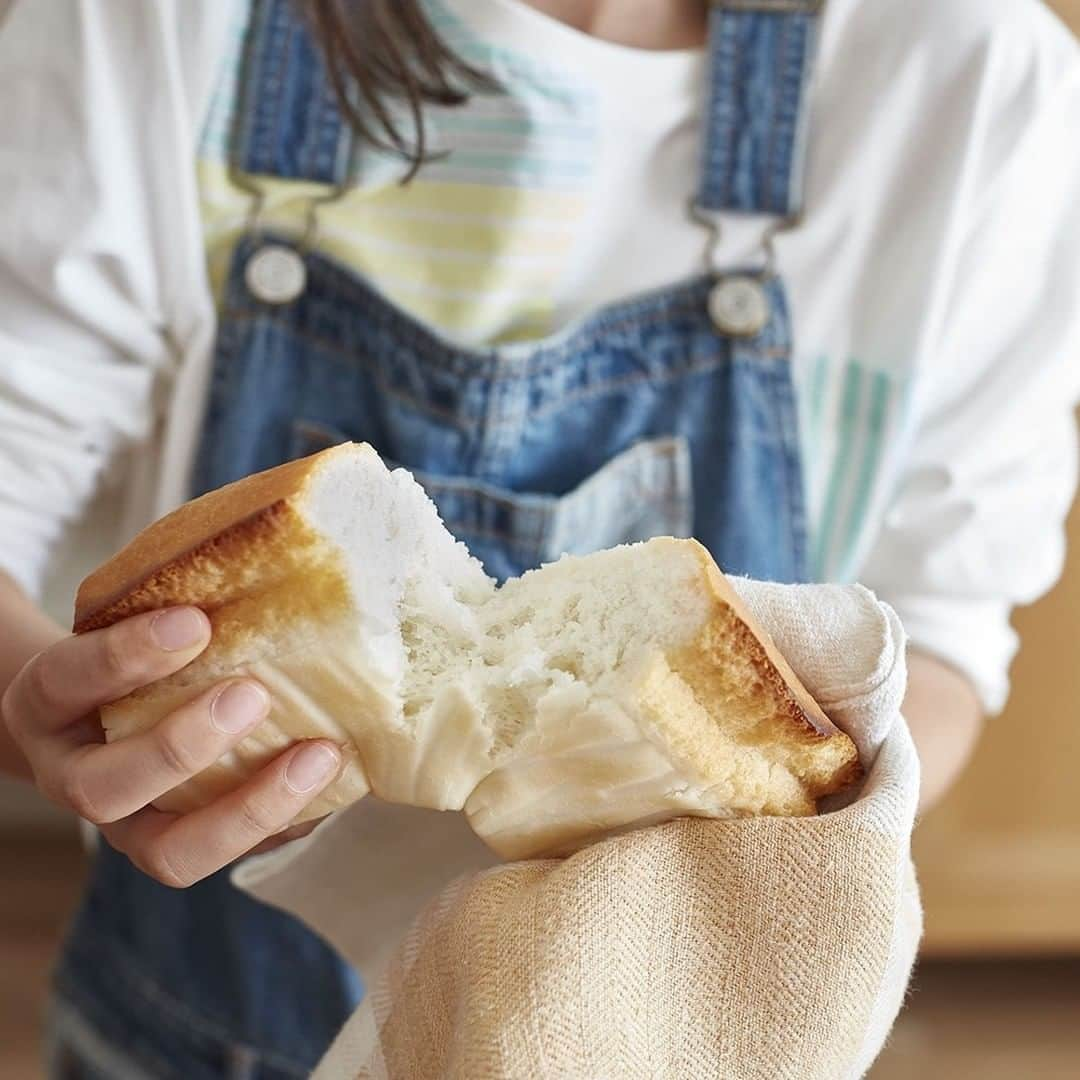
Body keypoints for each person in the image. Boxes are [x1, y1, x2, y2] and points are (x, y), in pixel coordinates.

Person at [1, 0, 1078, 1075]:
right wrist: (47, 719)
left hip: (651, 1041)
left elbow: (935, 641)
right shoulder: (153, 22)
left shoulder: (977, 83)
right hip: (198, 1029)